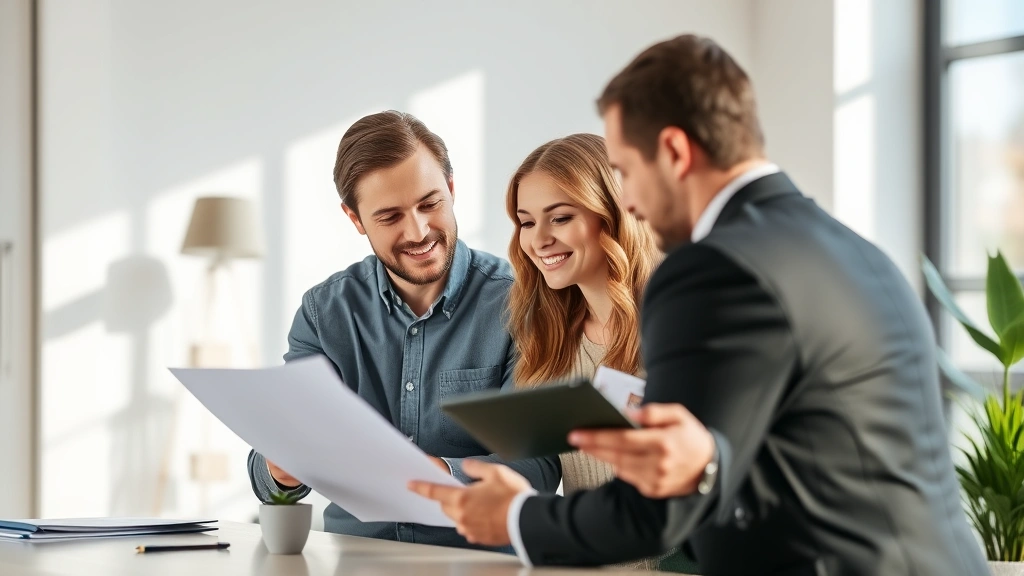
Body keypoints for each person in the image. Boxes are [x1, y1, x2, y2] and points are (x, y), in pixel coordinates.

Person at [409, 35, 988, 574]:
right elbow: (801, 463)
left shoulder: (713, 271)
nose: (630, 201)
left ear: (675, 151)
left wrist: (514, 517)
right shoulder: (856, 253)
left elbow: (661, 509)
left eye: (628, 172)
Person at [247, 110, 560, 550]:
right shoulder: (323, 314)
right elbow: (271, 484)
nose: (418, 231)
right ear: (355, 220)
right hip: (358, 562)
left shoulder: (523, 305)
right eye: (390, 216)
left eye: (430, 204)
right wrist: (280, 470)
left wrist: (433, 477)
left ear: (451, 190)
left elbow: (538, 471)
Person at [505, 133, 670, 570]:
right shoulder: (550, 342)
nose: (538, 239)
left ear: (612, 216)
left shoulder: (675, 326)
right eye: (525, 221)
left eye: (559, 218)